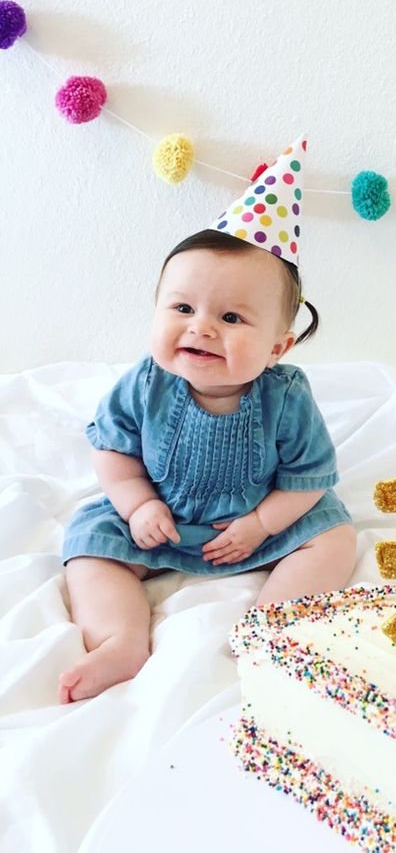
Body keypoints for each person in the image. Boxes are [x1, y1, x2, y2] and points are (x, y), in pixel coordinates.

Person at [58, 137, 357, 704]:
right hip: (159, 515)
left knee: (334, 536)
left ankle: (272, 626)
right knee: (89, 544)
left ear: (277, 345)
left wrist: (264, 525)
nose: (200, 328)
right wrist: (137, 505)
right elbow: (113, 452)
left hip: (253, 519)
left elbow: (310, 477)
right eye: (181, 308)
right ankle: (121, 639)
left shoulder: (286, 396)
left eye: (232, 316)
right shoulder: (145, 381)